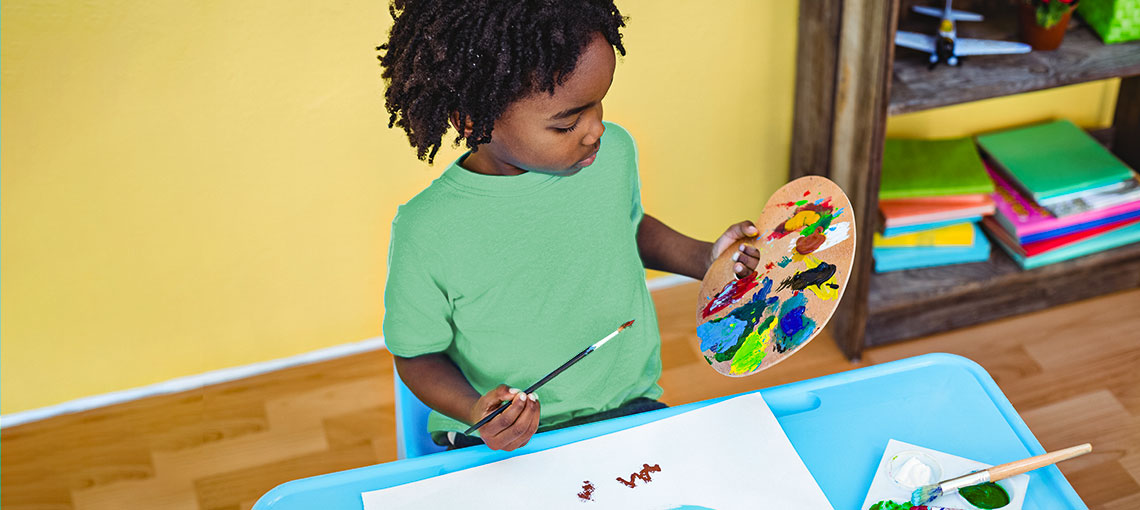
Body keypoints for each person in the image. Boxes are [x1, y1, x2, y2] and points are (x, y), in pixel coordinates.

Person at [379, 0, 761, 451]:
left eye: (600, 103)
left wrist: (706, 258)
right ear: (473, 122)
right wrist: (476, 411)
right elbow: (417, 354)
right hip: (500, 436)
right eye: (566, 123)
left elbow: (627, 227)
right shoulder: (428, 229)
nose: (596, 129)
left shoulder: (611, 154)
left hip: (626, 404)